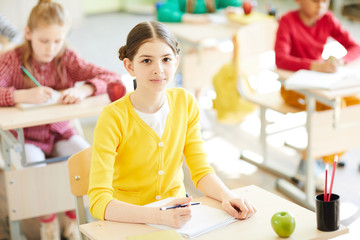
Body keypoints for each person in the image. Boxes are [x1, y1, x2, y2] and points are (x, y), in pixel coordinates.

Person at [88, 21, 256, 228]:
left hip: (177, 219)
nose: (158, 70)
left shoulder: (185, 102)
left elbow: (201, 170)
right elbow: (98, 202)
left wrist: (226, 195)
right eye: (147, 61)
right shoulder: (112, 118)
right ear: (130, 66)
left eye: (166, 59)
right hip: (129, 221)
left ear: (176, 62)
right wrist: (156, 216)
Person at [0, 0, 124, 239]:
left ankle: (72, 215)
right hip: (27, 137)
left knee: (85, 158)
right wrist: (19, 95)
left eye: (58, 41)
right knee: (33, 170)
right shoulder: (11, 60)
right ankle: (47, 221)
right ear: (28, 34)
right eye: (44, 41)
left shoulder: (66, 57)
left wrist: (85, 89)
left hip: (61, 132)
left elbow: (111, 77)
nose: (51, 48)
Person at [274, 0, 360, 188]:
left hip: (319, 84)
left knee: (356, 105)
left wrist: (342, 61)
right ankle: (314, 161)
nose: (320, 6)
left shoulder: (327, 19)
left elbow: (355, 47)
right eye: (315, 1)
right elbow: (281, 60)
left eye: (325, 1)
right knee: (335, 108)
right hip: (293, 87)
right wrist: (313, 65)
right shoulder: (287, 21)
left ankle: (323, 158)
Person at [157, 0, 243, 24]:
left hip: (208, 37)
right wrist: (192, 19)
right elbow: (163, 13)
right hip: (186, 40)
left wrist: (236, 9)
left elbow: (237, 4)